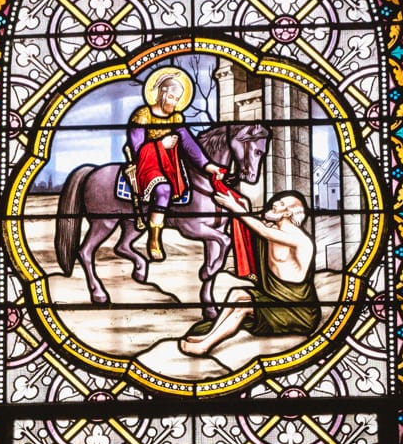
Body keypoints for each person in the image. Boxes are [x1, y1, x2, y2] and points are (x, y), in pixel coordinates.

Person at [179, 190, 320, 356]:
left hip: (298, 311)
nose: (274, 203)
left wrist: (234, 207)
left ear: (288, 213)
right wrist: (243, 208)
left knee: (243, 306)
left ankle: (205, 346)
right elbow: (259, 231)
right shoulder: (274, 231)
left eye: (281, 204)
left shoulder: (299, 239)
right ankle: (208, 335)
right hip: (276, 298)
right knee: (237, 294)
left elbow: (263, 231)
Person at [126, 67, 225, 260]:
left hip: (169, 164)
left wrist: (208, 165)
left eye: (178, 99)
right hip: (146, 165)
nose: (175, 102)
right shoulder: (143, 115)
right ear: (163, 93)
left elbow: (189, 144)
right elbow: (137, 149)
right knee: (163, 188)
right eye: (173, 97)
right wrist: (160, 145)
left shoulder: (175, 117)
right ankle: (154, 238)